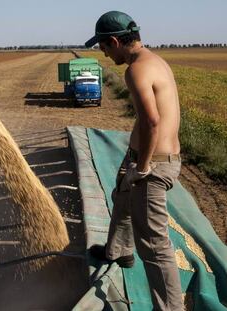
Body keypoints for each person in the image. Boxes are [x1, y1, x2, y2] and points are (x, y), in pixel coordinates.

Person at [85, 11, 183, 311]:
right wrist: (131, 160)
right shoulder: (153, 61)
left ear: (114, 41)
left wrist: (141, 169)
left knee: (154, 245)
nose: (103, 53)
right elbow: (147, 120)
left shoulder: (136, 70)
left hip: (154, 164)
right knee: (122, 198)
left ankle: (170, 308)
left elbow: (152, 122)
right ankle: (118, 252)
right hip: (145, 156)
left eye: (103, 47)